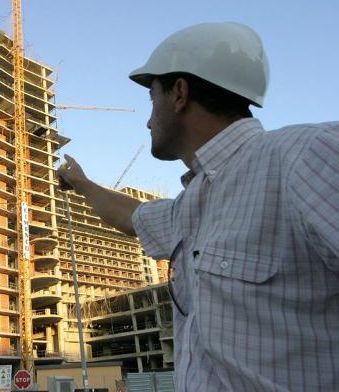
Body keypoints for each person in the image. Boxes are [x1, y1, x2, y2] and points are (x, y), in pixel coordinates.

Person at [56, 22, 339, 391]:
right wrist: (81, 183)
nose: (148, 120)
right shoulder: (195, 203)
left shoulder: (307, 155)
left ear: (179, 94)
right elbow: (132, 216)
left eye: (151, 99)